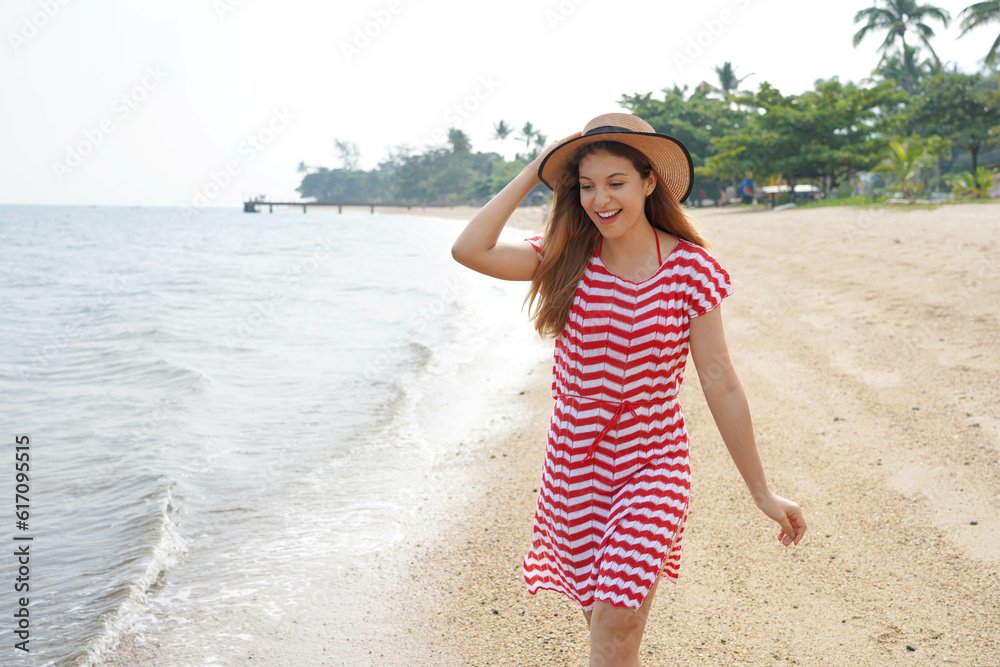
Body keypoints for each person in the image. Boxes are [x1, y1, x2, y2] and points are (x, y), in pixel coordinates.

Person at [451, 113, 805, 667]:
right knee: (610, 635)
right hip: (574, 472)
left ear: (648, 182)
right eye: (586, 186)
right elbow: (469, 249)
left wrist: (762, 491)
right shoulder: (564, 255)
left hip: (652, 466)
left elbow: (720, 380)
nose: (600, 199)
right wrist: (535, 169)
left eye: (615, 182)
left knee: (616, 623)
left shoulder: (691, 269)